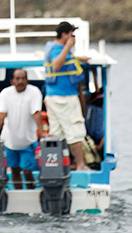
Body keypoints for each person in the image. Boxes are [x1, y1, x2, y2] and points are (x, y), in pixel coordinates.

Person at [44, 21, 90, 170]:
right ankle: (81, 165)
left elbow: (65, 59)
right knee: (75, 132)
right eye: (71, 34)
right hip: (64, 98)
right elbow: (57, 65)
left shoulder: (52, 47)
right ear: (64, 34)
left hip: (54, 96)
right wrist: (68, 46)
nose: (73, 37)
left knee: (56, 132)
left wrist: (79, 57)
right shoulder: (58, 49)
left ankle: (55, 167)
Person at [0, 69, 45, 189]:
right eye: (18, 79)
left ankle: (30, 193)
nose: (21, 81)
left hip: (28, 141)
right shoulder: (5, 93)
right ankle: (19, 194)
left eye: (23, 78)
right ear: (12, 81)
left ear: (27, 80)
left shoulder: (34, 92)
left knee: (27, 171)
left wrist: (42, 133)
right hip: (9, 142)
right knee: (14, 170)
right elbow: (1, 114)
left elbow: (36, 113)